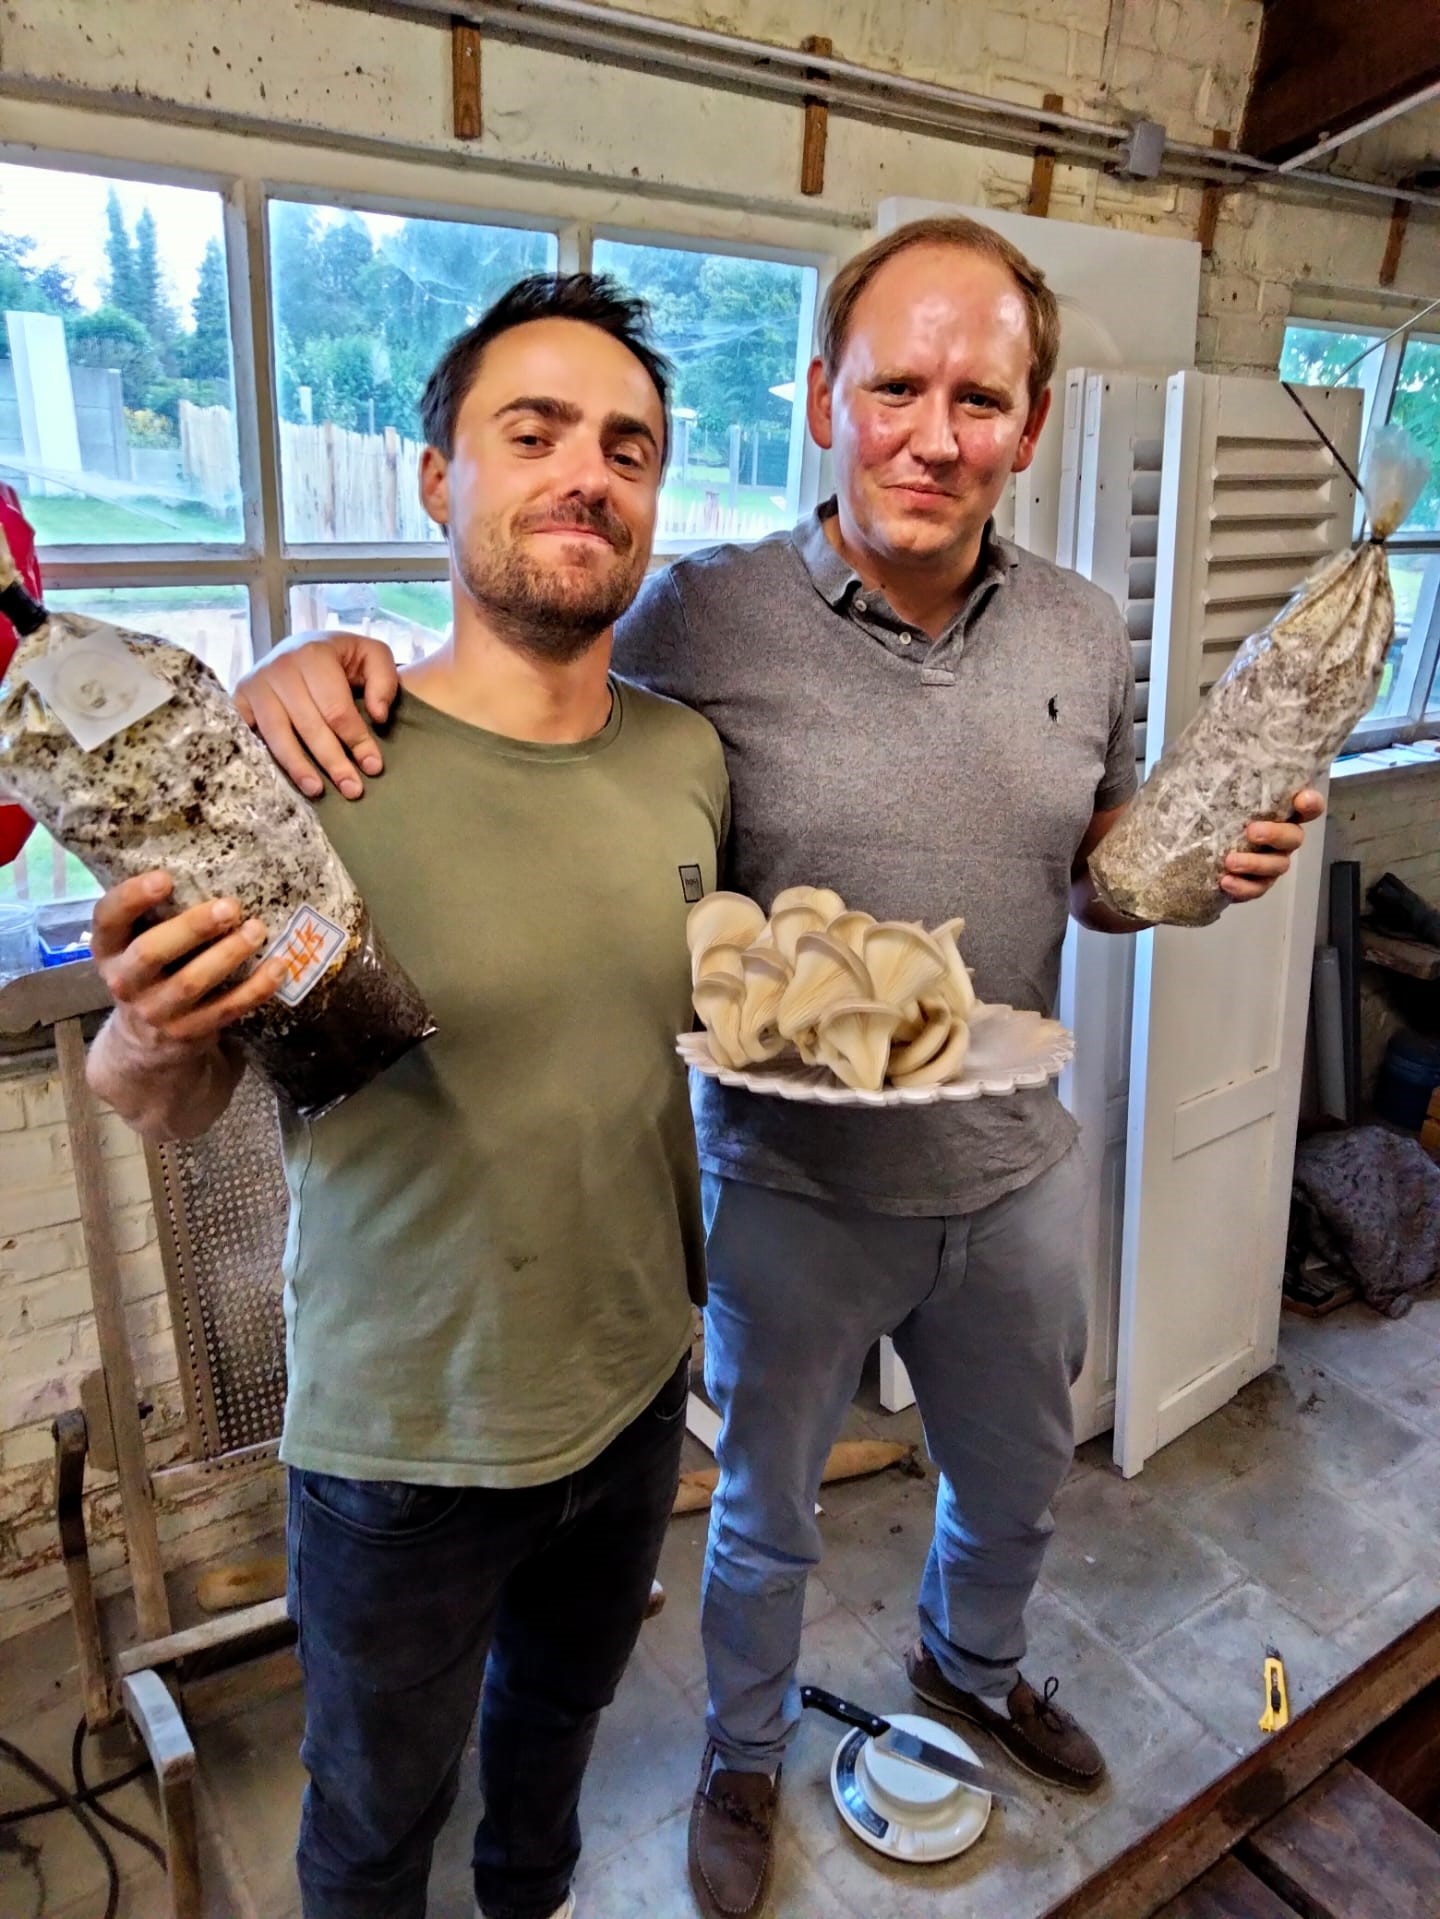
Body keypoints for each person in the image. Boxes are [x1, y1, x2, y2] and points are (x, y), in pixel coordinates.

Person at [232, 217, 1322, 1919]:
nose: (933, 435)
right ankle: (743, 1754)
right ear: (824, 400)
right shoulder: (699, 618)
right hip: (789, 1186)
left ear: (1031, 427)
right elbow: (520, 681)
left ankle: (972, 1661)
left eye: (979, 399)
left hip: (1015, 1164)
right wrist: (313, 661)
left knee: (1015, 1479)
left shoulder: (1084, 630)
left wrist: (1174, 868)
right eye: (895, 389)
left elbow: (1090, 871)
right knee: (762, 1518)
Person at [86, 273, 730, 1919]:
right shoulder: (311, 769)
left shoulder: (689, 759)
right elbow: (158, 1100)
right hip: (406, 1440)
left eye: (629, 448)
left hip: (638, 1377)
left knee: (555, 1743)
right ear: (438, 476)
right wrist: (151, 1029)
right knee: (375, 1824)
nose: (587, 474)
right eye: (535, 432)